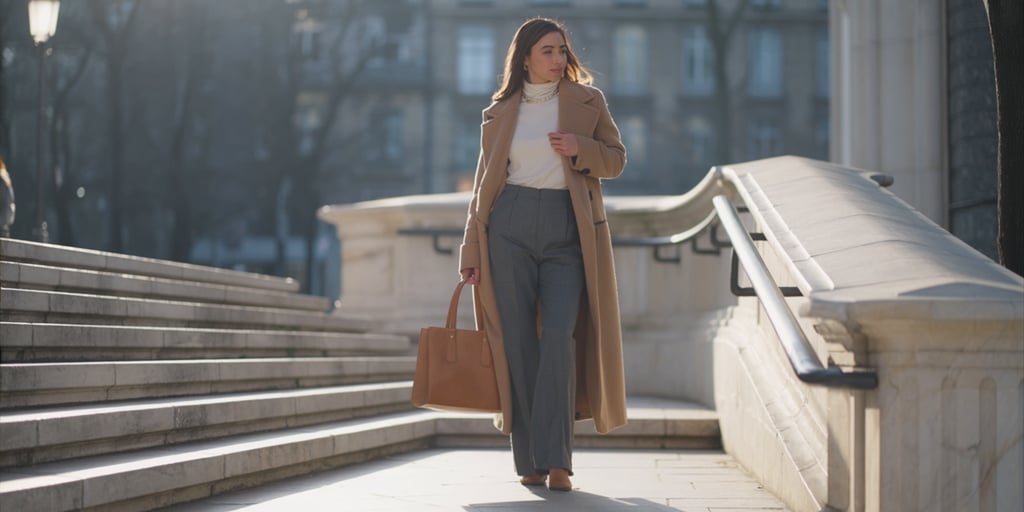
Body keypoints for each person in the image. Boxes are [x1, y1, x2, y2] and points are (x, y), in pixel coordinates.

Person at [458, 17, 628, 492]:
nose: (558, 59)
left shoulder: (587, 101)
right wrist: (471, 247)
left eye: (562, 50)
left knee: (558, 337)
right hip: (508, 226)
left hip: (567, 229)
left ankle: (558, 461)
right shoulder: (500, 111)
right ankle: (530, 461)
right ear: (526, 58)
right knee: (516, 341)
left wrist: (580, 147)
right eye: (548, 51)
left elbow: (616, 159)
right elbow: (483, 184)